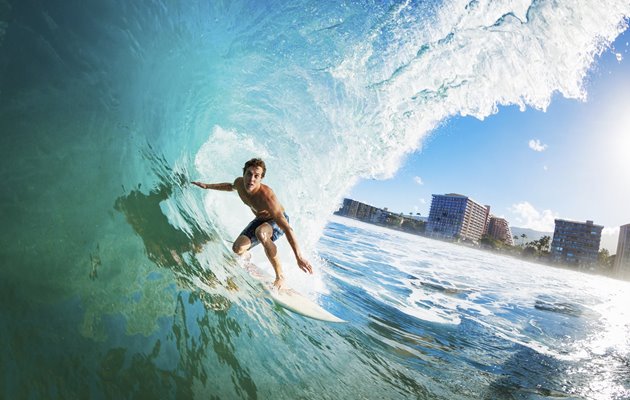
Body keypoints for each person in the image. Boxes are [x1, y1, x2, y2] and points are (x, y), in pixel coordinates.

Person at [192, 158, 313, 289]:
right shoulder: (239, 183)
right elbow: (229, 187)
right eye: (249, 174)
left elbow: (287, 228)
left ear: (261, 178)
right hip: (260, 220)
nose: (252, 179)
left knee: (261, 233)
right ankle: (246, 254)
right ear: (244, 174)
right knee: (237, 248)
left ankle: (280, 276)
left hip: (276, 221)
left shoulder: (268, 197)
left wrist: (299, 257)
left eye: (257, 176)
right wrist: (207, 186)